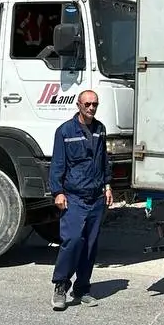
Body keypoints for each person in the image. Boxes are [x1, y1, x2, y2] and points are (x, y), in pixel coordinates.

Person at [48, 89, 113, 311]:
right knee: (73, 241)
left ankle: (82, 288)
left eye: (95, 104)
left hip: (96, 197)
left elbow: (104, 160)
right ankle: (60, 286)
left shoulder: (100, 130)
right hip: (74, 197)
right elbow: (58, 164)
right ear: (78, 105)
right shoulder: (65, 131)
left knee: (90, 245)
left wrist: (107, 185)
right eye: (87, 104)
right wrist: (57, 191)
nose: (91, 108)